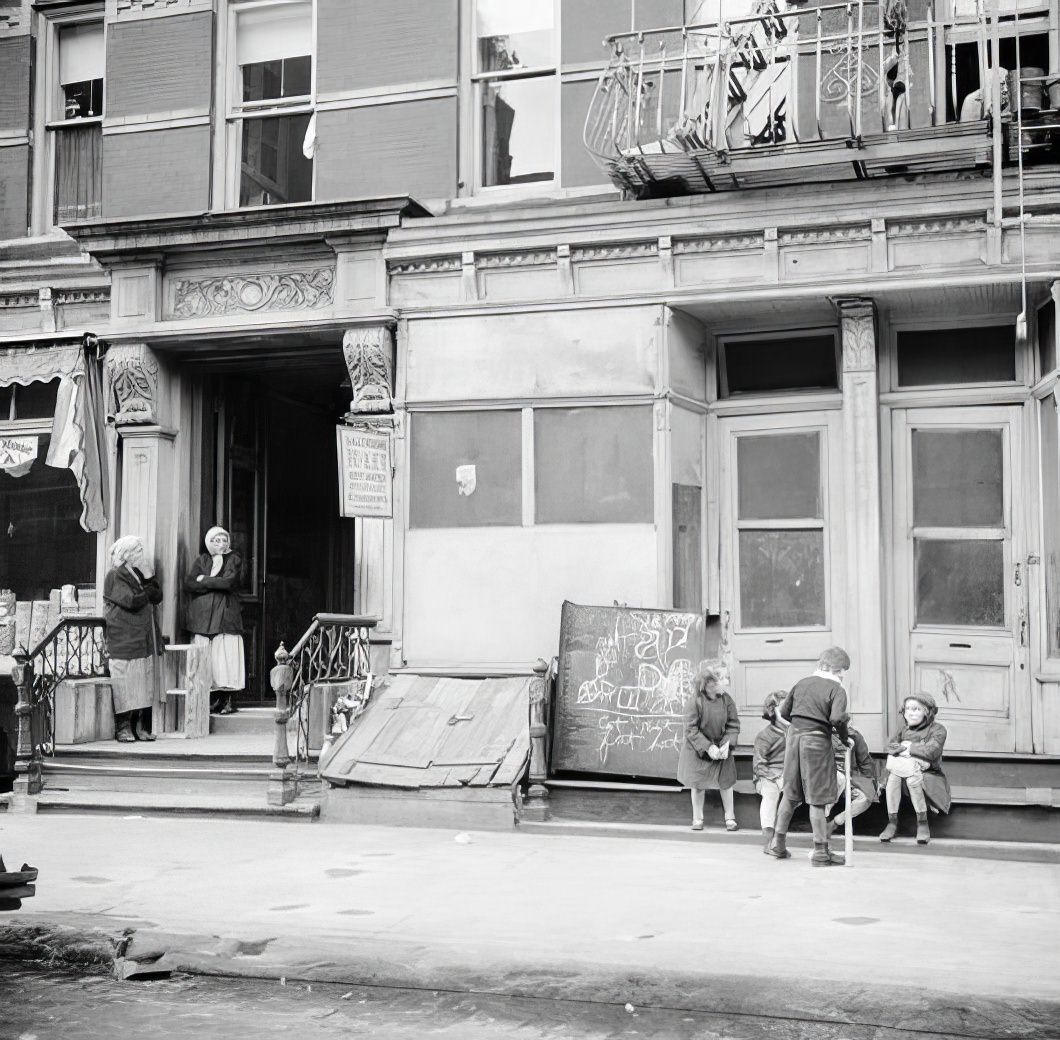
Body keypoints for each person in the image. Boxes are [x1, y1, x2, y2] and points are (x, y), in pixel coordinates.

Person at [767, 646, 852, 866]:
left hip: (793, 739)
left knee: (790, 794)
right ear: (826, 667)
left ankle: (778, 844)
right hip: (816, 742)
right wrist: (845, 737)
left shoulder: (801, 683)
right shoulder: (837, 689)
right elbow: (836, 719)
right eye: (840, 669)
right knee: (818, 798)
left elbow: (784, 713)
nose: (842, 674)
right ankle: (821, 852)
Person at [103, 536, 162, 742]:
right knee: (125, 682)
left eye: (141, 550)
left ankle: (142, 728)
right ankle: (123, 728)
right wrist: (148, 590)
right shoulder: (115, 575)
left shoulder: (138, 574)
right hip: (124, 637)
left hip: (142, 637)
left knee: (143, 681)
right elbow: (131, 601)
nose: (141, 555)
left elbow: (157, 596)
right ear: (126, 555)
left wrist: (147, 578)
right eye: (137, 551)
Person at [183, 527, 245, 715]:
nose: (221, 544)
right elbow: (190, 583)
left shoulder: (233, 559)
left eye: (224, 540)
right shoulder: (202, 560)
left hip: (225, 615)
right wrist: (212, 582)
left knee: (225, 655)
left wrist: (205, 580)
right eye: (216, 540)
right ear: (209, 542)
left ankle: (228, 699)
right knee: (209, 657)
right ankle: (214, 698)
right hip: (203, 616)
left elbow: (228, 582)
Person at [879, 693, 950, 845]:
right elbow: (890, 746)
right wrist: (910, 750)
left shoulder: (938, 730)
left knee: (912, 778)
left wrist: (907, 747)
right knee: (893, 777)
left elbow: (931, 751)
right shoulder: (903, 729)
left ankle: (922, 822)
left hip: (928, 772)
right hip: (902, 770)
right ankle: (892, 821)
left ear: (927, 711)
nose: (911, 713)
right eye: (907, 709)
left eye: (916, 709)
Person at [676, 663, 741, 832]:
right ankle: (697, 818)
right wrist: (708, 747)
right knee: (698, 784)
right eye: (715, 684)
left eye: (719, 683)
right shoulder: (695, 702)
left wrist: (727, 743)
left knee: (726, 782)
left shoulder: (726, 699)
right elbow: (691, 729)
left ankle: (730, 817)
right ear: (706, 687)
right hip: (698, 749)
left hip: (721, 746)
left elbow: (733, 724)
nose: (719, 686)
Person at [826, 716, 877, 837]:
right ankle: (822, 822)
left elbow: (864, 761)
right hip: (826, 777)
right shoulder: (822, 734)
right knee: (826, 794)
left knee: (865, 798)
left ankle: (834, 823)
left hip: (848, 777)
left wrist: (871, 780)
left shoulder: (854, 736)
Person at [753, 690, 788, 854]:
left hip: (789, 775)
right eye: (784, 708)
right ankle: (768, 841)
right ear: (773, 712)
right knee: (770, 795)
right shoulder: (764, 736)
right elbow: (759, 766)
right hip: (767, 776)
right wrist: (775, 777)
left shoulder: (794, 732)